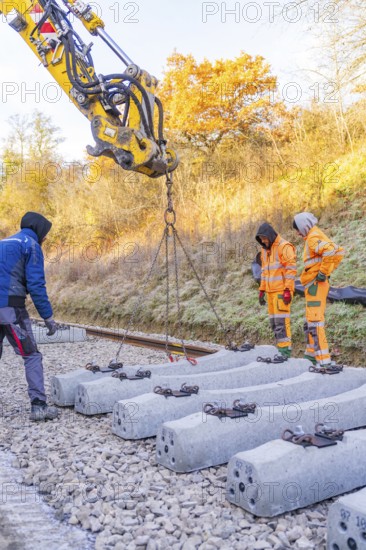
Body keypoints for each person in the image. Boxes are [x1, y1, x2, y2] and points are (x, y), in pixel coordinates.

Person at [0, 212, 59, 421]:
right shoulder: (31, 245)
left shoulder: (3, 243)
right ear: (39, 230)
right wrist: (48, 318)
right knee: (31, 355)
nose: (45, 238)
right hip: (11, 309)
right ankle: (39, 406)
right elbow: (36, 285)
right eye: (45, 233)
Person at [293, 212, 344, 367]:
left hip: (316, 285)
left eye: (298, 229)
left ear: (303, 226)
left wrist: (323, 273)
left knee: (315, 321)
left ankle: (323, 361)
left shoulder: (313, 238)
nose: (297, 233)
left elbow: (332, 251)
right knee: (311, 319)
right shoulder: (314, 235)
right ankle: (311, 354)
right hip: (314, 285)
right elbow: (337, 251)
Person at [255, 222, 297, 359]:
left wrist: (287, 290)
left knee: (281, 323)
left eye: (264, 238)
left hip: (281, 292)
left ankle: (285, 352)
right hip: (271, 292)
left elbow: (291, 270)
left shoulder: (284, 247)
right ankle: (281, 350)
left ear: (270, 235)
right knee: (274, 323)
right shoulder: (264, 250)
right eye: (261, 239)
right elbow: (264, 271)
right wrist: (262, 290)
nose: (263, 241)